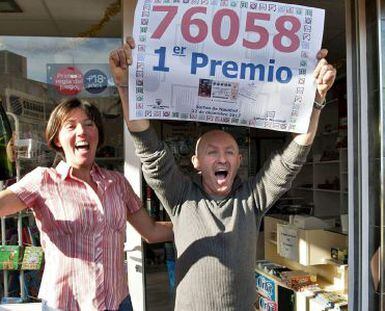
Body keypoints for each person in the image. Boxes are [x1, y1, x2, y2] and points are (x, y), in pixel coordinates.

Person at [109, 37, 336, 310]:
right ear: (196, 162)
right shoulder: (181, 197)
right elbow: (150, 151)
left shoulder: (251, 199)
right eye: (212, 152)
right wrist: (124, 85)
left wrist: (318, 99)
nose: (222, 158)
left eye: (229, 151)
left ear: (239, 160)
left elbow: (291, 160)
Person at [0, 98, 174, 311]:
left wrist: (207, 224)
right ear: (57, 139)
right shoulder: (43, 181)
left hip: (117, 303)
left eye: (89, 124)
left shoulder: (117, 182)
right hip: (65, 305)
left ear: (98, 134)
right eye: (71, 126)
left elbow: (153, 231)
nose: (82, 131)